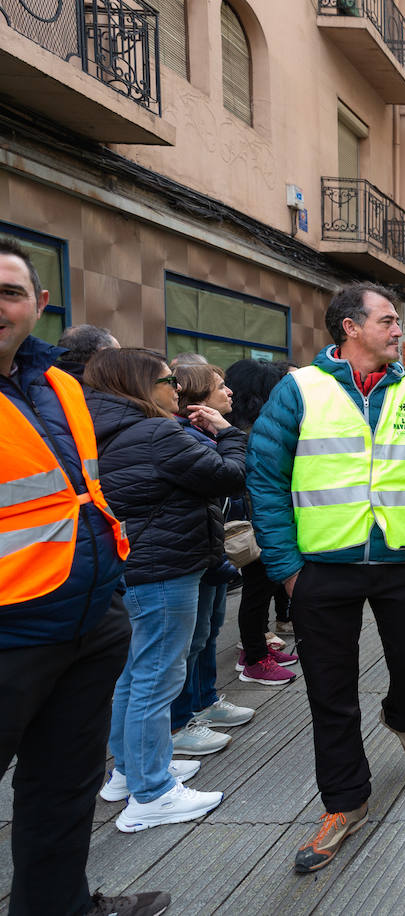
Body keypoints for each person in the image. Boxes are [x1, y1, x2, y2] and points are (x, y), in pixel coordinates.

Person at [247, 282, 405, 873]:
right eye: (388, 320)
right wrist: (285, 569)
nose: (398, 330)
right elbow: (265, 479)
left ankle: (401, 714)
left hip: (404, 563)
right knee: (329, 692)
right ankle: (346, 801)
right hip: (321, 571)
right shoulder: (299, 390)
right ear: (350, 328)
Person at [0, 239, 171, 915]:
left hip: (88, 625)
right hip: (10, 636)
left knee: (64, 791)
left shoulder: (62, 386)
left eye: (10, 292)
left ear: (39, 306)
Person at [85, 347, 246, 831]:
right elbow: (231, 476)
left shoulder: (103, 431)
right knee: (156, 677)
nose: (175, 389)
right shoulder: (155, 431)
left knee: (134, 677)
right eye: (166, 381)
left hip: (137, 565)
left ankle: (130, 771)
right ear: (139, 387)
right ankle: (152, 792)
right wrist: (229, 434)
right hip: (165, 568)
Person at [166, 362, 262, 756]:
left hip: (209, 551)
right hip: (188, 553)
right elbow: (233, 475)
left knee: (206, 631)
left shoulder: (205, 437)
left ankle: (205, 700)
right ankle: (181, 718)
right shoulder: (188, 439)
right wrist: (228, 436)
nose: (230, 393)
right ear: (199, 400)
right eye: (220, 388)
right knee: (187, 642)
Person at [223, 358, 299, 687]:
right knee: (256, 591)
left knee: (262, 588)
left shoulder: (252, 426)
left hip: (263, 521)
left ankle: (257, 648)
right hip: (251, 525)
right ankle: (255, 657)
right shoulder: (240, 431)